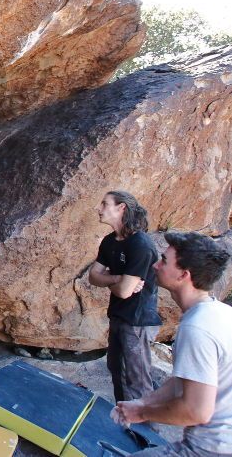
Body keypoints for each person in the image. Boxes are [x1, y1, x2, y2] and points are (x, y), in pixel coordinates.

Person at [115, 231, 232, 456]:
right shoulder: (220, 312)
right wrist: (142, 402)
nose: (157, 265)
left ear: (183, 275)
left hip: (210, 449)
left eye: (164, 261)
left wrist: (142, 414)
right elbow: (186, 379)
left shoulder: (196, 328)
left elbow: (196, 411)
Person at [89, 191, 162, 403]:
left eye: (104, 204)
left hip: (137, 320)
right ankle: (125, 421)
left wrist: (112, 281)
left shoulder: (140, 244)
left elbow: (123, 291)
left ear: (121, 208)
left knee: (137, 379)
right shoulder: (109, 241)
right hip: (118, 315)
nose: (99, 208)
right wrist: (118, 278)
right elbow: (93, 277)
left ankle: (147, 433)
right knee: (116, 370)